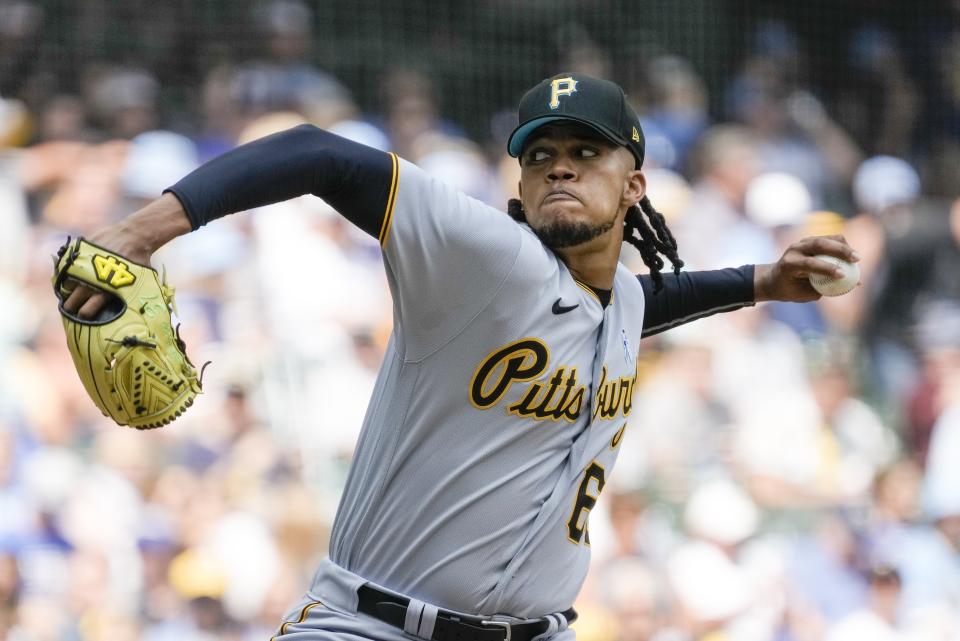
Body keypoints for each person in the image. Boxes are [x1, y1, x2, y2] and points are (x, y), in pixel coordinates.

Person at [59, 73, 859, 641]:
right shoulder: (487, 254)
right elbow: (315, 153)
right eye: (540, 153)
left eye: (587, 150)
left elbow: (653, 301)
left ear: (636, 185)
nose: (560, 164)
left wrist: (761, 280)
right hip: (371, 626)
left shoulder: (620, 305)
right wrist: (136, 234)